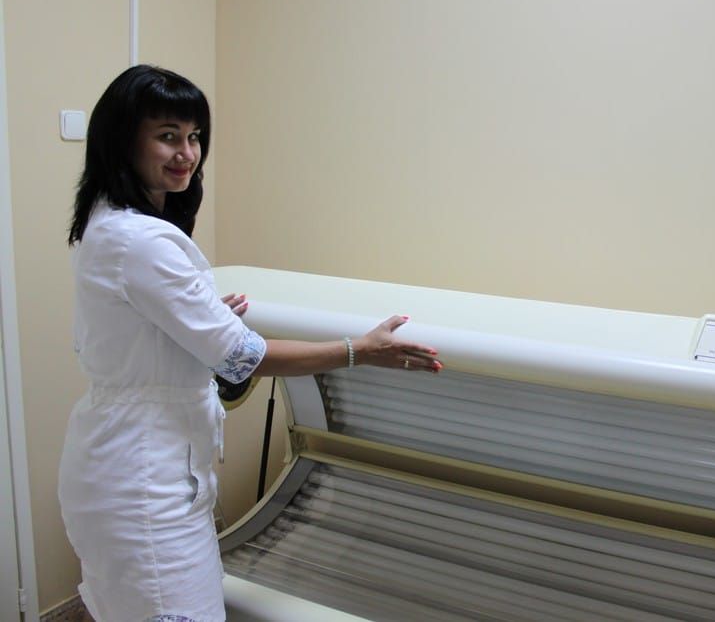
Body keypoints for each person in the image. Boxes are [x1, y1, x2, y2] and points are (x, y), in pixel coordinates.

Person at [57, 64, 443, 622]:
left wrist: (198, 317)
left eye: (194, 136)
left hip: (133, 465)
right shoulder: (140, 241)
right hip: (144, 483)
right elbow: (245, 357)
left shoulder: (110, 221)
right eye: (167, 136)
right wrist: (360, 350)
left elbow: (144, 325)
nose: (187, 153)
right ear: (123, 141)